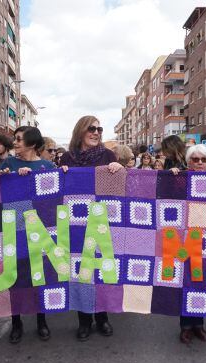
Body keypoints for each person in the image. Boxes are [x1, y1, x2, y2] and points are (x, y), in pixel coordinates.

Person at [60, 115, 124, 341]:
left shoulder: (108, 156)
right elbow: (60, 192)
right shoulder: (68, 157)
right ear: (81, 131)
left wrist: (119, 167)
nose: (96, 132)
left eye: (99, 128)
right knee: (81, 271)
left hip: (102, 222)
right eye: (91, 128)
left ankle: (103, 318)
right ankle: (84, 320)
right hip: (76, 224)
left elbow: (119, 189)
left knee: (102, 270)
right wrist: (62, 172)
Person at [0, 127, 58, 343]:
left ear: (32, 144)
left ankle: (42, 321)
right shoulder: (8, 164)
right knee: (16, 278)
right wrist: (5, 178)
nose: (14, 143)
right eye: (15, 139)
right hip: (14, 230)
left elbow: (55, 197)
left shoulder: (47, 166)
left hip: (39, 231)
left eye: (19, 140)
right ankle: (17, 323)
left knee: (39, 276)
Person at [169, 144, 206, 344]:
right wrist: (170, 177)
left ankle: (199, 325)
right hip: (184, 238)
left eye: (204, 160)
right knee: (184, 280)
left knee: (201, 280)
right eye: (195, 159)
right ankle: (185, 326)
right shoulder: (179, 178)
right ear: (188, 162)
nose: (199, 163)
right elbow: (164, 195)